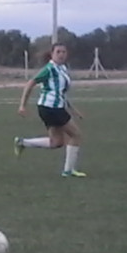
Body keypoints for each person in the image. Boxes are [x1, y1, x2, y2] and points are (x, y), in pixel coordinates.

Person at [14, 43, 86, 178]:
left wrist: (73, 109)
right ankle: (68, 171)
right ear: (52, 54)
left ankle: (22, 142)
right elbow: (30, 83)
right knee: (76, 135)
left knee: (56, 142)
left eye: (64, 52)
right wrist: (22, 105)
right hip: (51, 108)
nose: (61, 54)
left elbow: (61, 93)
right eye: (58, 52)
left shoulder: (62, 69)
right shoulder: (49, 69)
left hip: (53, 108)